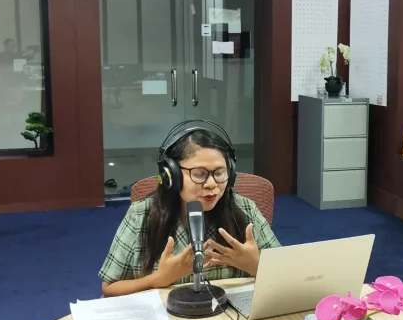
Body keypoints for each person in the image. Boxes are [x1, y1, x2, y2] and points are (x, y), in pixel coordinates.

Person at [99, 122, 281, 297]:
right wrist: (158, 279)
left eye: (219, 173)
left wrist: (256, 266)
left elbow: (286, 277)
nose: (211, 184)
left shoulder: (245, 209)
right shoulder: (141, 215)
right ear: (172, 175)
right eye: (199, 174)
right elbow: (110, 288)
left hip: (230, 316)